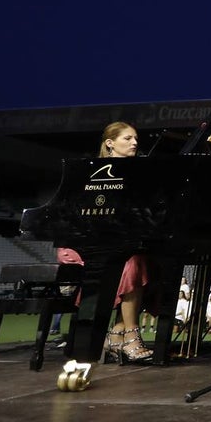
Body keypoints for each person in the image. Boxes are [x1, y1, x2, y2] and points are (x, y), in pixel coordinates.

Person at [57, 122, 155, 363]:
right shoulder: (88, 171)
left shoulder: (136, 175)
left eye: (136, 139)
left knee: (143, 260)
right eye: (128, 138)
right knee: (132, 263)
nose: (135, 143)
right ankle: (130, 336)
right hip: (82, 244)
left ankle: (117, 333)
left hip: (118, 241)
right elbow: (73, 210)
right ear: (110, 143)